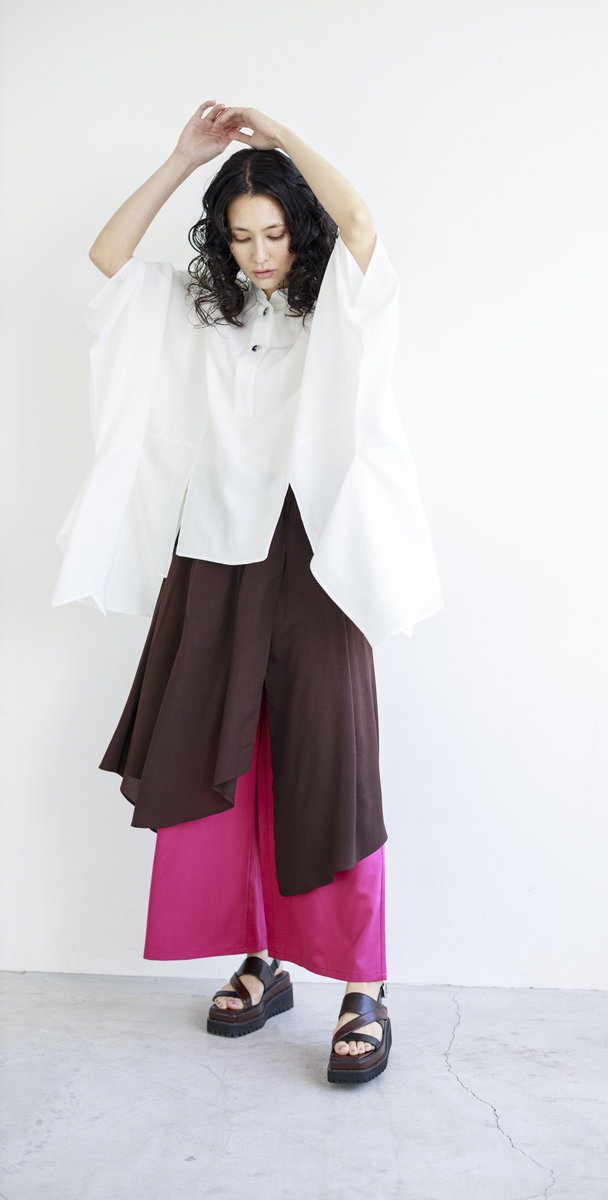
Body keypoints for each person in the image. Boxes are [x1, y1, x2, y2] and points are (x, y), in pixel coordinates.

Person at [52, 100, 444, 1084]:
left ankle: (363, 987)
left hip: (316, 557)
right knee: (216, 753)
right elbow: (107, 256)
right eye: (239, 236)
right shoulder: (203, 308)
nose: (259, 254)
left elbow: (361, 223)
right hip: (215, 554)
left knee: (330, 764)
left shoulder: (340, 303)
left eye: (273, 233)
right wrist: (183, 158)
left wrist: (283, 142)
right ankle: (262, 961)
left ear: (297, 228)